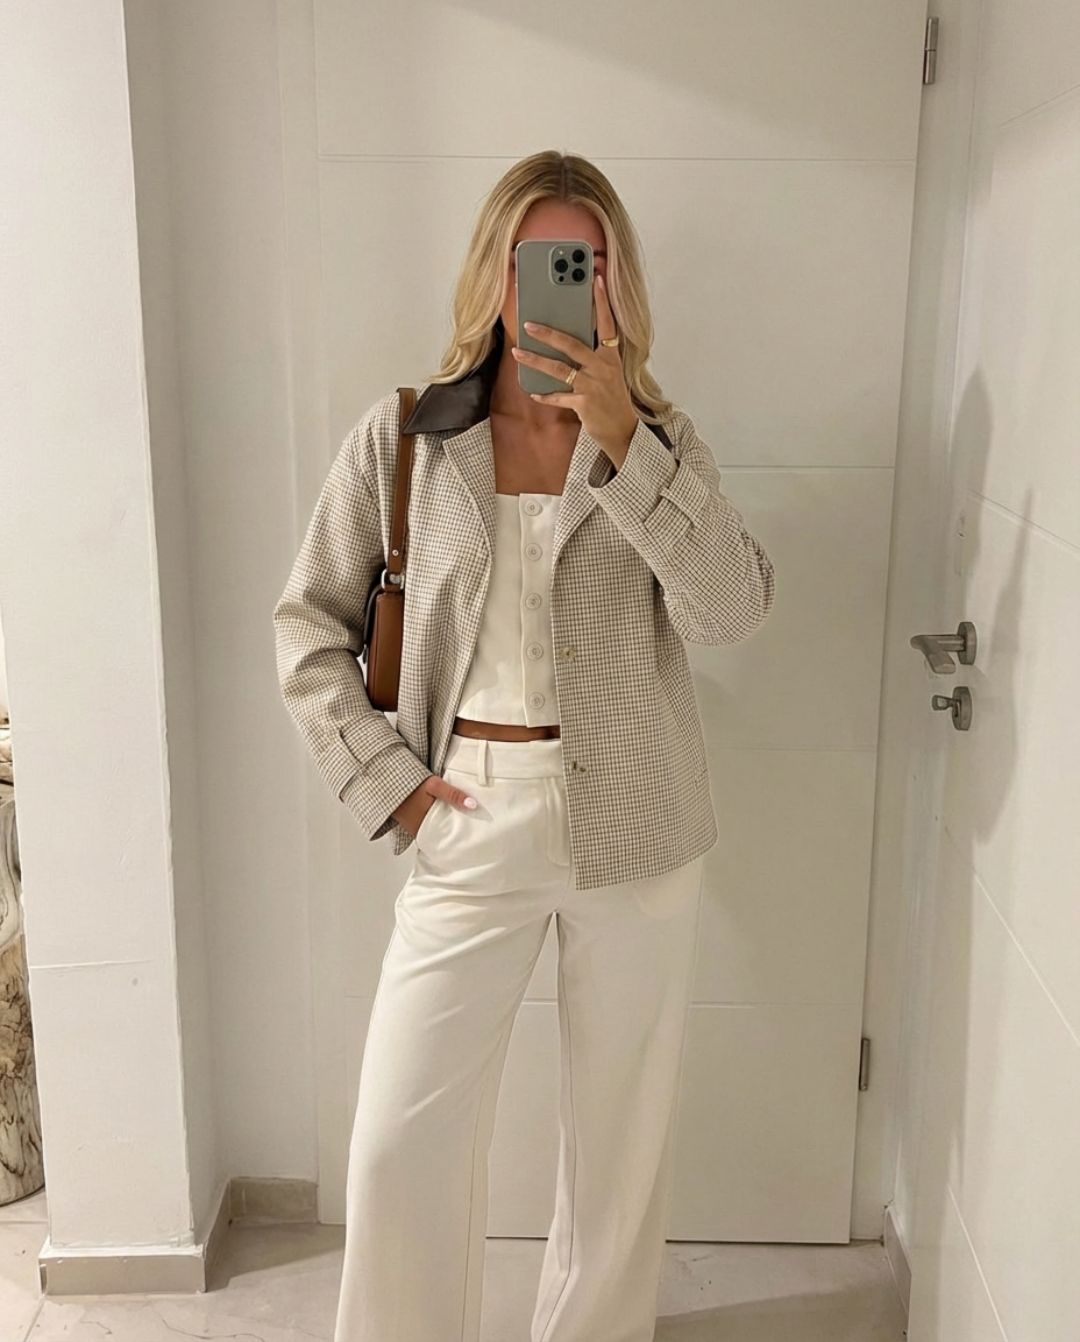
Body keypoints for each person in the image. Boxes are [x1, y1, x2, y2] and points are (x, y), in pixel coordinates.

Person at [273, 149, 776, 1342]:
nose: (560, 284)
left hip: (638, 821)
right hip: (466, 810)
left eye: (585, 264)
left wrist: (627, 447)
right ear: (494, 274)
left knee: (617, 1149)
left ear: (615, 285)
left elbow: (731, 612)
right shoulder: (407, 437)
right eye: (537, 259)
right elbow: (307, 627)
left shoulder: (659, 442)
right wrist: (390, 785)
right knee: (399, 1141)